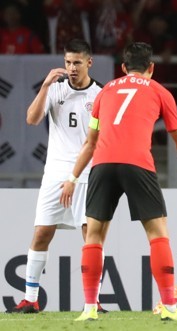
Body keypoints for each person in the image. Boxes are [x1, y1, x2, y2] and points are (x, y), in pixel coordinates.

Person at [63, 42, 177, 322]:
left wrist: (71, 178)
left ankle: (89, 307)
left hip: (102, 165)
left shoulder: (105, 92)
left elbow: (90, 143)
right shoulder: (159, 91)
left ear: (123, 68)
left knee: (93, 235)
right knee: (157, 233)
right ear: (151, 68)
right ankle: (169, 305)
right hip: (137, 163)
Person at [5, 39, 107, 314]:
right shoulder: (56, 89)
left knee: (91, 237)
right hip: (54, 174)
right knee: (41, 234)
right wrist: (46, 86)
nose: (71, 68)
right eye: (67, 62)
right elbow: (31, 119)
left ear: (89, 62)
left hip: (86, 174)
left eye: (76, 62)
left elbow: (100, 140)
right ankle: (30, 298)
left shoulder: (99, 95)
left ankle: (92, 301)